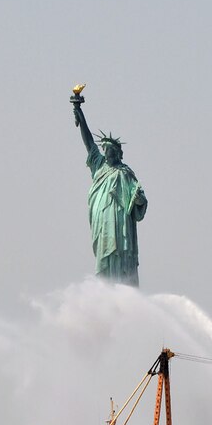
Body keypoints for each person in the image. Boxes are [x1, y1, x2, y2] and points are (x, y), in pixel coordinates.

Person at [72, 101, 147, 286]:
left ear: (118, 153)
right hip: (102, 220)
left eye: (111, 150)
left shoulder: (125, 172)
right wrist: (80, 116)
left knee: (119, 253)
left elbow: (139, 198)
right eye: (105, 149)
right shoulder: (98, 165)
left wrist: (138, 200)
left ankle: (122, 287)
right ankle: (105, 289)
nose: (107, 153)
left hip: (120, 223)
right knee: (105, 253)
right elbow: (89, 142)